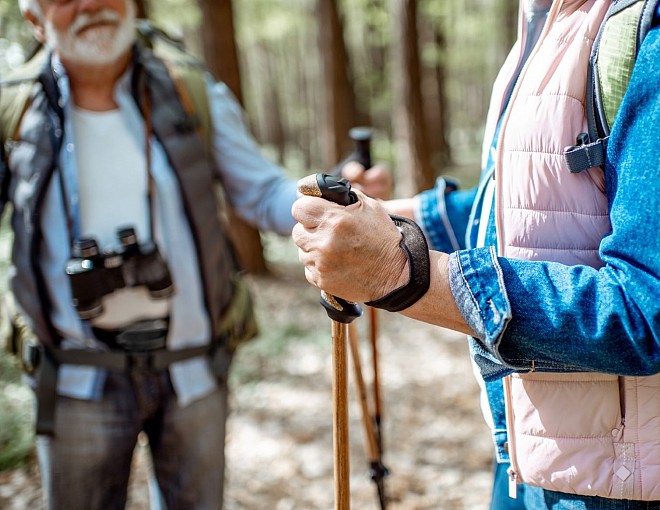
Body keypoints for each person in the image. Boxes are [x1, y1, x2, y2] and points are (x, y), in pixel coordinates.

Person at [292, 0, 660, 508]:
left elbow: (649, 309)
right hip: (530, 456)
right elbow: (524, 207)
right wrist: (385, 218)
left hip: (637, 484)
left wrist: (400, 271)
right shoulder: (550, 14)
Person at [0, 1, 390, 509]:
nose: (91, 3)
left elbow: (261, 191)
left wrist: (328, 200)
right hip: (74, 377)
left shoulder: (188, 87)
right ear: (33, 18)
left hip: (193, 371)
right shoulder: (16, 108)